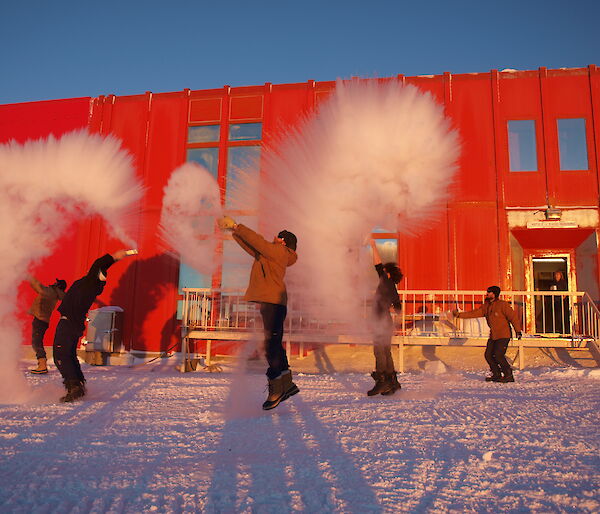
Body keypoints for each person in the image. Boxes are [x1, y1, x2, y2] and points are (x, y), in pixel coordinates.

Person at [218, 216, 298, 410]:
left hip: (274, 303)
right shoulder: (272, 254)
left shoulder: (280, 252)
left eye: (278, 236)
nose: (274, 237)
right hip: (271, 303)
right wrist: (234, 232)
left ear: (283, 241)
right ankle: (286, 383)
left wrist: (237, 226)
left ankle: (277, 388)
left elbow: (258, 242)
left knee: (271, 345)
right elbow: (253, 248)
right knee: (274, 343)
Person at [53, 250, 136, 402]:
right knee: (69, 355)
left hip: (68, 323)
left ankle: (74, 387)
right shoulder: (91, 286)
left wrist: (116, 256)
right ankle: (78, 386)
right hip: (74, 323)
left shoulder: (89, 283)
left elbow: (99, 263)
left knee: (61, 355)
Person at [452, 286, 522, 383]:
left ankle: (508, 375)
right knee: (488, 355)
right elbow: (474, 313)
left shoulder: (502, 305)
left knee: (498, 355)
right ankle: (496, 374)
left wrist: (518, 331)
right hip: (493, 335)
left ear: (494, 294)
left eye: (489, 292)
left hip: (503, 335)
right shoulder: (487, 306)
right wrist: (459, 315)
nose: (487, 294)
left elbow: (513, 318)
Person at [367, 239, 404, 396]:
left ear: (388, 273)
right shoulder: (393, 289)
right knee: (386, 351)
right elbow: (399, 309)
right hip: (386, 322)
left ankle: (382, 381)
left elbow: (377, 264)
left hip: (381, 322)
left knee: (379, 351)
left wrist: (373, 245)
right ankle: (393, 383)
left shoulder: (385, 281)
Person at [26, 276, 67, 374]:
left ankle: (42, 365)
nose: (54, 283)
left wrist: (27, 275)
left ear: (58, 285)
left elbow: (37, 286)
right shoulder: (58, 294)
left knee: (36, 342)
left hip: (39, 319)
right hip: (44, 320)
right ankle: (42, 364)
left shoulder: (50, 291)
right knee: (37, 341)